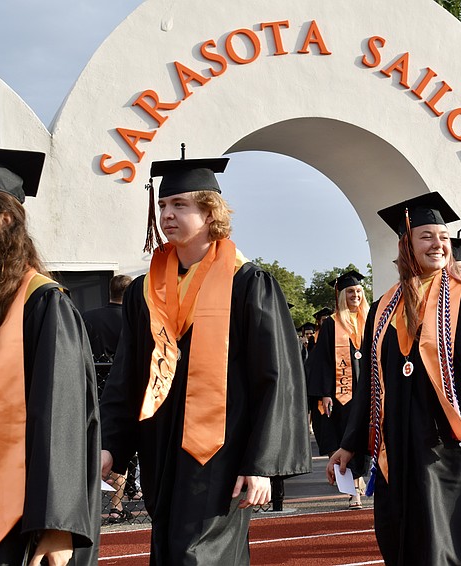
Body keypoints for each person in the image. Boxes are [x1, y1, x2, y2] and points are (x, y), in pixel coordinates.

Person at [99, 153, 311, 565]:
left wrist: (262, 462)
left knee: (198, 554)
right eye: (163, 206)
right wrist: (111, 444)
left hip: (222, 450)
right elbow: (127, 376)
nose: (167, 214)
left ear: (210, 213)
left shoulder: (248, 282)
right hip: (160, 447)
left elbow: (276, 377)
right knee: (170, 549)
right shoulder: (146, 290)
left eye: (180, 205)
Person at [326, 191, 461, 566]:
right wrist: (351, 443)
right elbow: (371, 384)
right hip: (394, 445)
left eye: (443, 237)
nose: (438, 244)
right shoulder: (382, 307)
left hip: (445, 447)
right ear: (405, 244)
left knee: (439, 547)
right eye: (426, 236)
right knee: (398, 540)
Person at [0, 147, 101, 565]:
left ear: (6, 219)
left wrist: (57, 524)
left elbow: (63, 419)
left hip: (12, 515)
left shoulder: (42, 303)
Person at [307, 269, 370, 509]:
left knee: (365, 435)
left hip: (367, 390)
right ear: (343, 295)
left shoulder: (370, 319)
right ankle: (353, 490)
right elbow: (322, 361)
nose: (355, 295)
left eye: (358, 291)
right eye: (351, 291)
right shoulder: (333, 323)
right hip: (342, 393)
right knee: (345, 435)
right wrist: (324, 393)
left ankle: (360, 478)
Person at [83, 274, 139, 523]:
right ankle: (116, 505)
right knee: (118, 448)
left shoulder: (88, 317)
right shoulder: (132, 321)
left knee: (93, 446)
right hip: (118, 393)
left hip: (91, 390)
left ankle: (88, 503)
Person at [83, 274, 134, 359]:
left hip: (95, 370)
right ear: (130, 293)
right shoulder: (133, 319)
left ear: (110, 291)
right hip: (123, 370)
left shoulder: (88, 316)